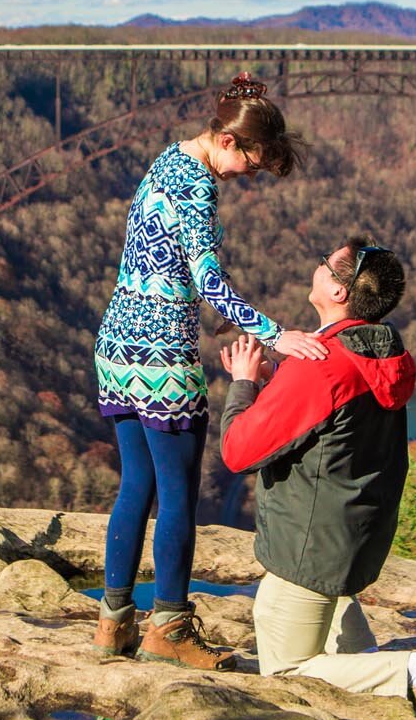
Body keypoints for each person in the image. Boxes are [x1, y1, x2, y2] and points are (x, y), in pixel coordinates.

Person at [92, 73, 329, 669]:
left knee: (135, 486)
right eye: (253, 162)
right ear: (228, 141)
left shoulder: (167, 160)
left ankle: (113, 621)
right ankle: (169, 625)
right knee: (176, 495)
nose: (251, 175)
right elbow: (210, 279)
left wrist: (203, 307)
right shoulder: (198, 186)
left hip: (117, 345)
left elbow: (157, 258)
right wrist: (279, 335)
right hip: (161, 359)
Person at [219, 240, 416, 720]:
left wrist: (244, 384)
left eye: (324, 263)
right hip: (353, 533)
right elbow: (333, 431)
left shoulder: (321, 364)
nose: (316, 265)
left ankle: (412, 671)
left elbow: (239, 450)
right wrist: (276, 387)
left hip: (311, 545)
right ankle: (377, 675)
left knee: (287, 671)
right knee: (333, 617)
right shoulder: (381, 351)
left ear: (338, 289)